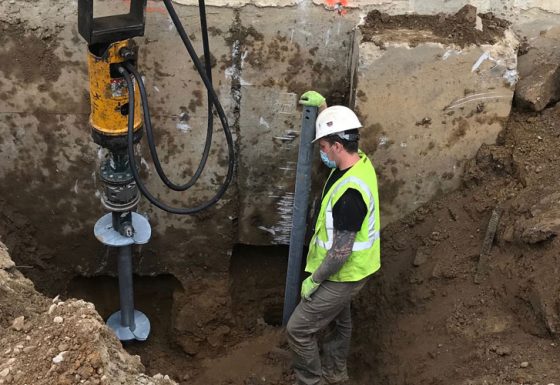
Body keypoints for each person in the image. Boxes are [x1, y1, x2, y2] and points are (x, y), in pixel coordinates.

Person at [286, 91, 381, 385]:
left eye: (324, 147)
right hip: (353, 268)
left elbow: (340, 252)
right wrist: (325, 110)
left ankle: (311, 380)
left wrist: (315, 280)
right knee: (341, 321)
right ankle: (336, 372)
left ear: (338, 146)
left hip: (344, 272)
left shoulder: (351, 194)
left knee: (298, 330)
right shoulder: (357, 161)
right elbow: (341, 129)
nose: (321, 153)